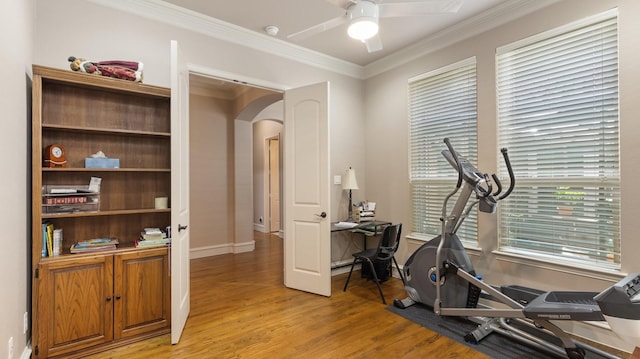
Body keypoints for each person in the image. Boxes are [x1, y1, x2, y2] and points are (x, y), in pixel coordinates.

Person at [68, 56, 143, 82]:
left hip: (102, 70)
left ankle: (134, 76)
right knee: (117, 70)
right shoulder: (86, 66)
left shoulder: (85, 66)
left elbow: (92, 69)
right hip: (102, 70)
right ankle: (134, 76)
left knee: (118, 72)